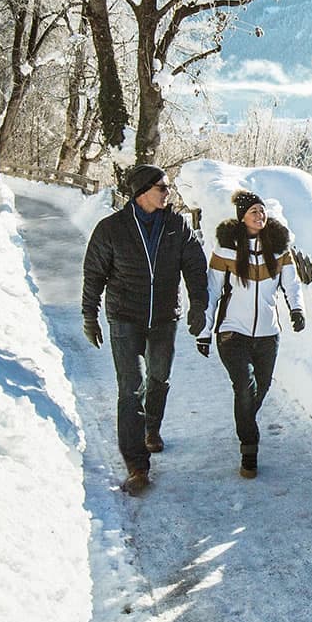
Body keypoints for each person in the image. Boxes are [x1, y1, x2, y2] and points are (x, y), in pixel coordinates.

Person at [82, 164, 208, 494]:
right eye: (163, 188)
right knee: (130, 387)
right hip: (125, 316)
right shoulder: (112, 229)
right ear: (142, 193)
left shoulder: (176, 225)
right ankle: (137, 465)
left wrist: (199, 304)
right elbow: (94, 274)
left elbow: (195, 266)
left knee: (159, 378)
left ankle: (151, 428)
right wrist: (89, 316)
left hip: (164, 317)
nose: (169, 193)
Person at [197, 189, 304, 479]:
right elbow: (212, 291)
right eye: (254, 211)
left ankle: (245, 420)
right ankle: (249, 448)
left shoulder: (279, 249)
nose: (260, 215)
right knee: (244, 386)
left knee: (261, 387)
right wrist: (205, 331)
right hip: (233, 332)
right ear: (242, 217)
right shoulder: (226, 250)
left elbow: (292, 284)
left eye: (262, 210)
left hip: (268, 333)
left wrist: (296, 309)